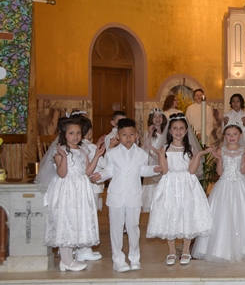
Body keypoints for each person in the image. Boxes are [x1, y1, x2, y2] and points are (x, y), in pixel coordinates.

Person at [90, 118, 161, 272]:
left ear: (136, 135)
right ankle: (118, 260)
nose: (128, 138)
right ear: (118, 136)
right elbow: (109, 171)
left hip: (134, 196)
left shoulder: (142, 154)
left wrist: (154, 169)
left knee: (133, 228)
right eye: (124, 135)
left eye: (131, 134)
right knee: (116, 229)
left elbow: (142, 170)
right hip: (116, 196)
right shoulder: (112, 154)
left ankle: (135, 258)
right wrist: (100, 176)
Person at [147, 114, 213, 266]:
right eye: (175, 128)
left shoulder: (190, 149)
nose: (178, 131)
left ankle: (186, 250)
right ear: (170, 131)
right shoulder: (165, 148)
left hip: (187, 184)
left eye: (181, 128)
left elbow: (192, 170)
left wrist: (199, 155)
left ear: (186, 130)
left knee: (187, 214)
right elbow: (164, 170)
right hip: (170, 184)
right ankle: (171, 251)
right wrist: (160, 155)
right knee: (170, 214)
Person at [192, 123, 245, 263]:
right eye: (228, 134)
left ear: (240, 136)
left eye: (234, 134)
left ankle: (244, 248)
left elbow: (243, 171)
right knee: (222, 215)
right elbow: (220, 172)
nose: (231, 137)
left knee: (242, 214)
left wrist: (244, 157)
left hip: (240, 185)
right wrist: (219, 159)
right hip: (224, 185)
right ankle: (219, 249)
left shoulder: (244, 150)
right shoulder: (221, 150)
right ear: (224, 136)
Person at [44, 118, 103, 271]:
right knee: (66, 221)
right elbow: (62, 173)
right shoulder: (60, 150)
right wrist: (63, 157)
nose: (75, 136)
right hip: (67, 190)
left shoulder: (82, 150)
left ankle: (69, 259)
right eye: (71, 133)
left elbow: (87, 171)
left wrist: (97, 155)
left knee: (75, 221)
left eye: (78, 133)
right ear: (64, 134)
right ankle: (65, 260)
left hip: (81, 189)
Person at [75, 115, 105, 262]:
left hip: (77, 187)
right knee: (89, 218)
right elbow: (103, 164)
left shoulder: (77, 147)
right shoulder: (91, 147)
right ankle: (85, 249)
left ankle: (75, 248)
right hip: (91, 187)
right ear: (89, 131)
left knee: (77, 217)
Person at [141, 108, 167, 213]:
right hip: (153, 160)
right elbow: (146, 149)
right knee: (153, 184)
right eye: (155, 116)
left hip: (164, 160)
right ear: (151, 119)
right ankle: (152, 205)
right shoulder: (149, 133)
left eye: (160, 116)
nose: (158, 118)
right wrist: (149, 135)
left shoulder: (166, 132)